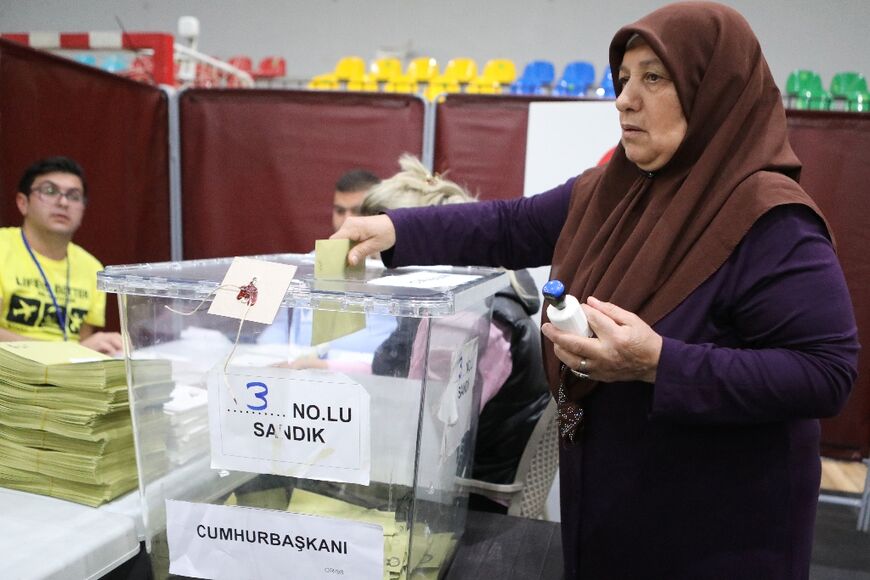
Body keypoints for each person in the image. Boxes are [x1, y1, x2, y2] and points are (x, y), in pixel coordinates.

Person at [332, 3, 860, 578]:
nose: (625, 99)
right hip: (616, 509)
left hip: (719, 532)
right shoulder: (618, 188)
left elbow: (826, 373)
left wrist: (659, 363)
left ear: (715, 91)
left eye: (654, 78)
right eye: (624, 78)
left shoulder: (772, 219)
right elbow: (511, 226)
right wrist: (392, 229)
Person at [360, 154, 551, 513]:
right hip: (468, 488)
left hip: (463, 507)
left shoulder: (457, 325)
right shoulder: (487, 296)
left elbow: (421, 444)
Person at [0, 157, 122, 355]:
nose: (63, 202)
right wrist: (70, 351)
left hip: (65, 377)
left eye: (74, 196)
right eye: (50, 191)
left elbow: (83, 341)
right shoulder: (3, 248)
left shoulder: (92, 267)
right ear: (23, 203)